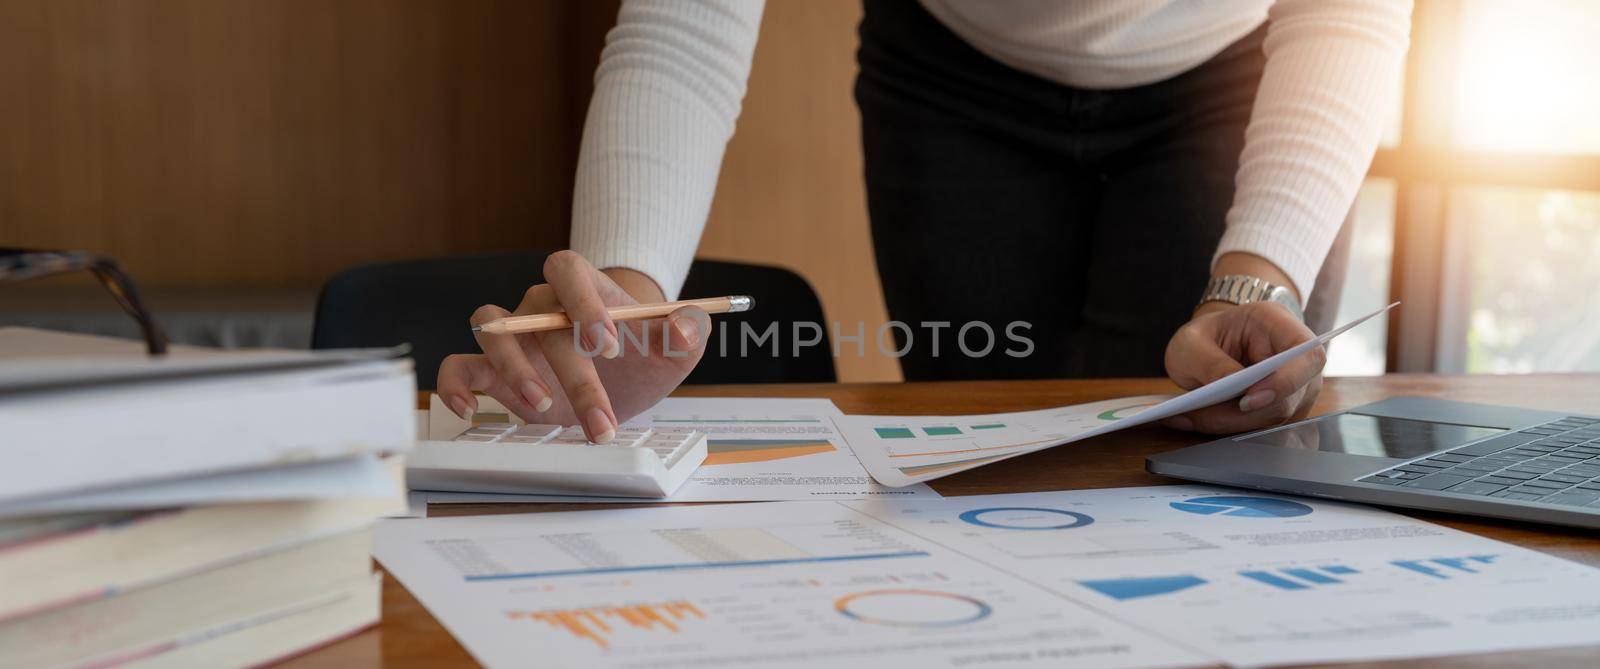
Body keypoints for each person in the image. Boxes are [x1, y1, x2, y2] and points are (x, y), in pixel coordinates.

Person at [437, 0, 1411, 444]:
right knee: (988, 459)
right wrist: (629, 291)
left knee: (1215, 431)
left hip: (1242, 70)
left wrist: (1257, 275)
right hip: (949, 70)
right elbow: (686, 25)